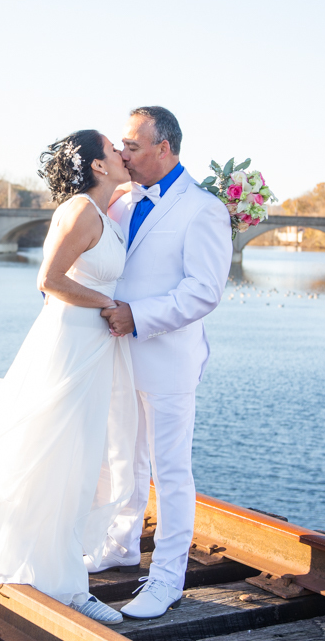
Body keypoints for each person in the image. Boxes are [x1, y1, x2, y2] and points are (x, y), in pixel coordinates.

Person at [0, 129, 137, 624]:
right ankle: (66, 585)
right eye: (113, 148)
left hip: (91, 346)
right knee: (61, 456)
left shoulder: (105, 210)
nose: (123, 153)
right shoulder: (80, 210)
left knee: (74, 457)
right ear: (98, 166)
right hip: (71, 343)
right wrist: (109, 303)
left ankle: (44, 558)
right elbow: (48, 280)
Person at [93, 106, 233, 619]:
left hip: (168, 359)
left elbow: (204, 291)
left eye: (132, 146)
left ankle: (168, 579)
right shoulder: (121, 201)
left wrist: (139, 315)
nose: (123, 154)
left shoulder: (203, 209)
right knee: (122, 459)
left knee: (171, 473)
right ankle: (121, 544)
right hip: (116, 355)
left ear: (164, 147)